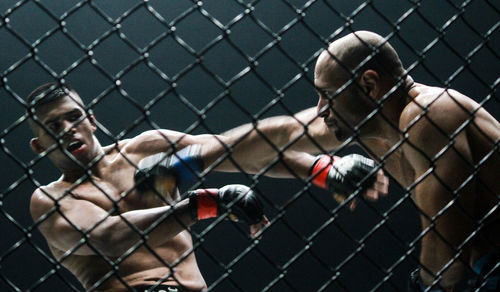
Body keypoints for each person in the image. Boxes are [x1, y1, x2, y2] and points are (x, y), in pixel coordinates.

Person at [26, 82, 388, 291]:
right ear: (39, 145)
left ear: (91, 119)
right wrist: (203, 203)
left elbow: (233, 152)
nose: (68, 130)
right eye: (53, 127)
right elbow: (106, 237)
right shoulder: (51, 200)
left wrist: (325, 169)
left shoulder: (146, 147)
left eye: (73, 118)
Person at [219, 31, 500, 291]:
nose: (319, 110)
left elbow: (447, 253)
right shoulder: (370, 127)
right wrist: (192, 156)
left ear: (368, 85)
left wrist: (426, 287)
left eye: (327, 95)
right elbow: (280, 136)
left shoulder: (428, 115)